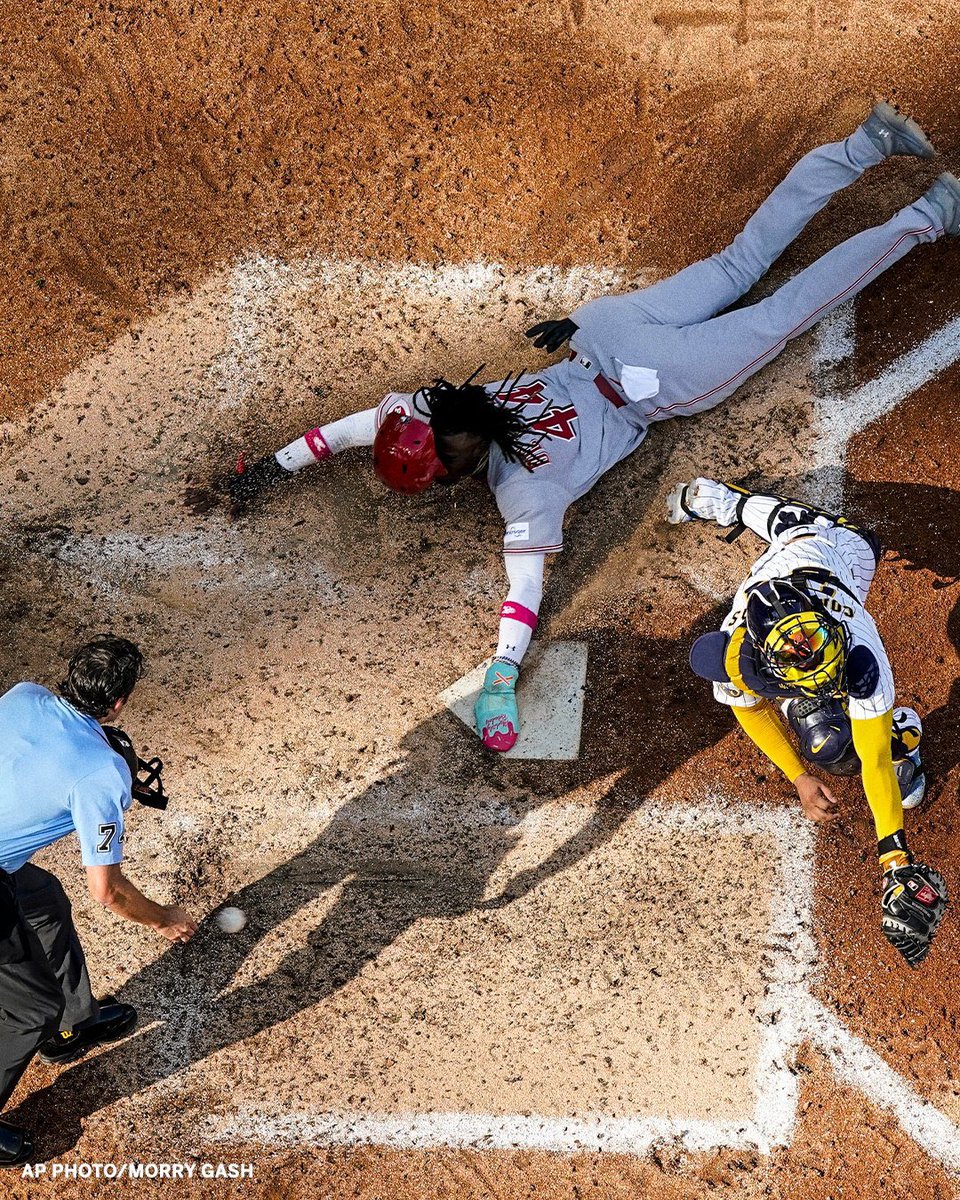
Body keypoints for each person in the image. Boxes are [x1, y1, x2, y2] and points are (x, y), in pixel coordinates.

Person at [216, 102, 959, 755]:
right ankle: (866, 143)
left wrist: (503, 676)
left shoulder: (525, 492)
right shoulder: (446, 406)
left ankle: (930, 213)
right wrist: (269, 469)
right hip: (604, 327)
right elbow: (350, 430)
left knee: (785, 311)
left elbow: (524, 592)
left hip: (662, 382)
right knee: (741, 259)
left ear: (452, 466)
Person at [666, 478, 948, 967]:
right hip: (785, 572)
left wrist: (895, 858)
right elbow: (749, 707)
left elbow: (874, 762)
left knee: (844, 745)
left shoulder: (858, 649)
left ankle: (905, 731)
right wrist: (797, 776)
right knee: (762, 519)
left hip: (843, 554)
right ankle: (722, 500)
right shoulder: (738, 652)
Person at [0, 636, 198, 1167]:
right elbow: (107, 889)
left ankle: (74, 1021)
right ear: (118, 702)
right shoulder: (100, 772)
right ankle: (51, 1021)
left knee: (43, 900)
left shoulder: (24, 694)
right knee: (28, 1011)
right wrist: (164, 919)